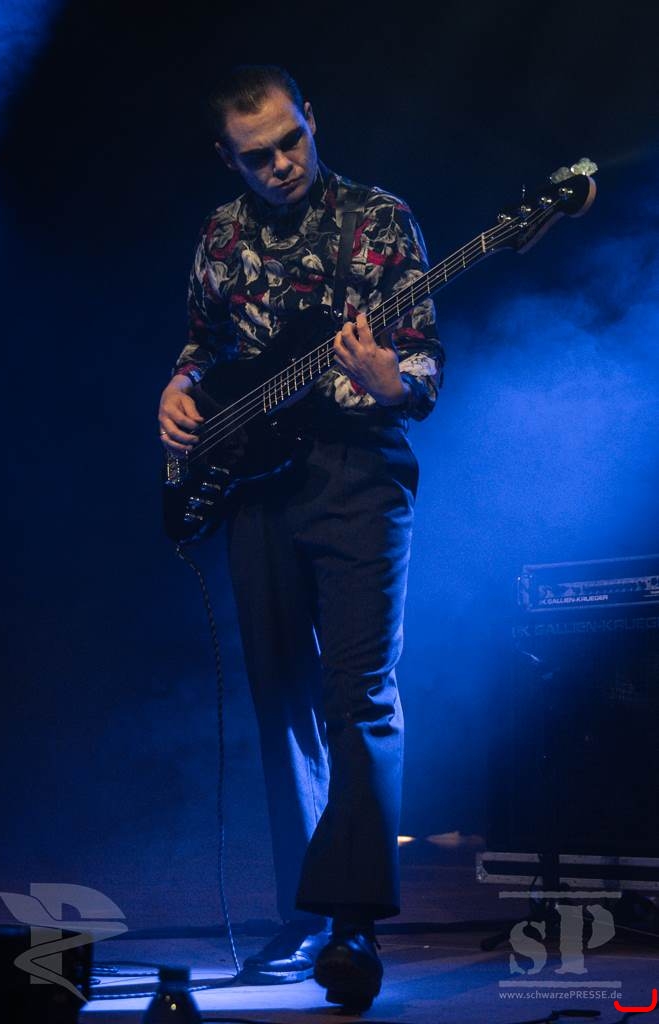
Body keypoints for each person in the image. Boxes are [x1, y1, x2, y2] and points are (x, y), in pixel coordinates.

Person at [158, 64, 444, 1010]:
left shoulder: (379, 219)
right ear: (228, 159)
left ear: (311, 121)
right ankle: (304, 907)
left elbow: (423, 364)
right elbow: (205, 343)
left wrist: (391, 380)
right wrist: (178, 387)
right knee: (279, 694)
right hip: (258, 483)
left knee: (357, 694)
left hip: (357, 472)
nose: (281, 163)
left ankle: (352, 921)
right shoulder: (220, 234)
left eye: (291, 140)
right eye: (258, 155)